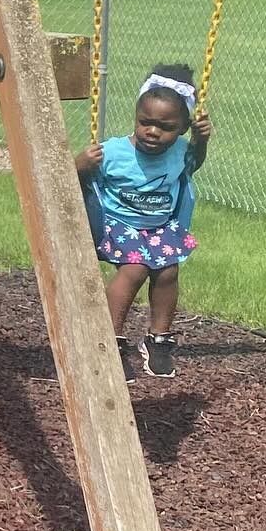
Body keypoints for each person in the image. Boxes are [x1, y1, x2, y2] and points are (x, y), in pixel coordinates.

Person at [76, 64, 212, 380]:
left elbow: (193, 166)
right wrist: (80, 165)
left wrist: (201, 142)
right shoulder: (111, 152)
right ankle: (110, 340)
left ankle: (158, 340)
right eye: (145, 122)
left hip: (159, 227)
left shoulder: (180, 150)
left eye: (164, 126)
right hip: (117, 225)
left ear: (182, 127)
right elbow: (69, 181)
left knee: (167, 270)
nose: (152, 131)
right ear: (136, 117)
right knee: (135, 269)